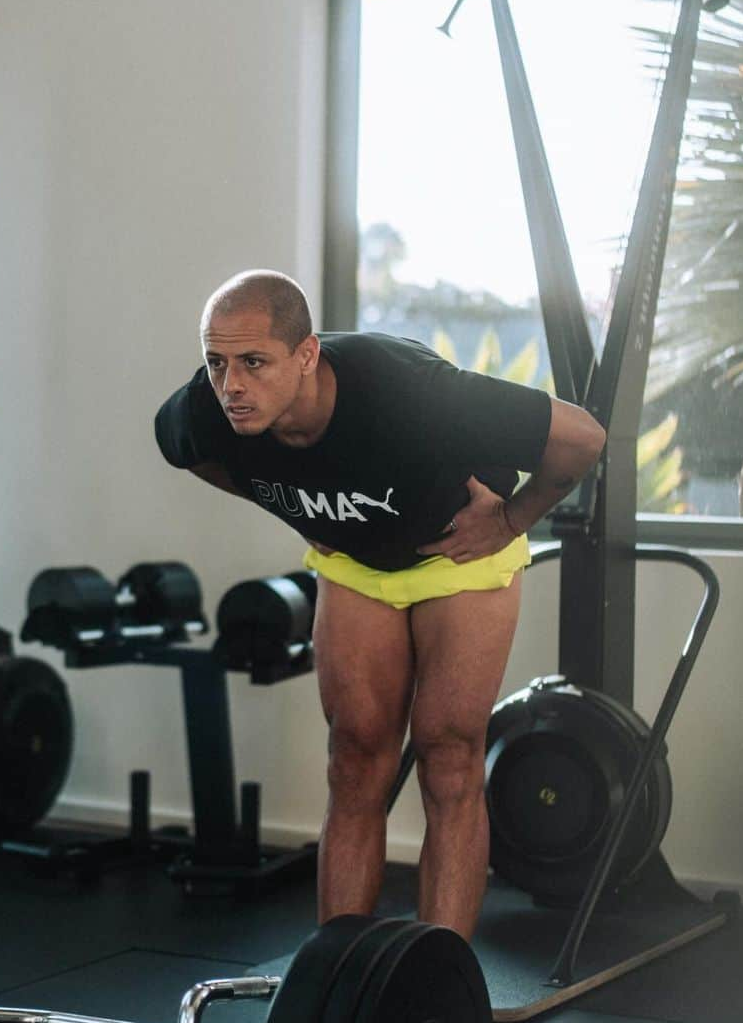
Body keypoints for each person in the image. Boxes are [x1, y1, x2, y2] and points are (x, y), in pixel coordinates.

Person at [155, 270, 605, 940]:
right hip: (357, 565)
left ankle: (442, 972)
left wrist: (510, 521)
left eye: (254, 362)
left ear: (306, 355)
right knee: (355, 757)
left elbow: (583, 438)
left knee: (448, 755)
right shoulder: (208, 411)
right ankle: (338, 975)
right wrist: (291, 508)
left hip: (457, 557)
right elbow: (187, 452)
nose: (232, 386)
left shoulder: (411, 393)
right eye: (216, 363)